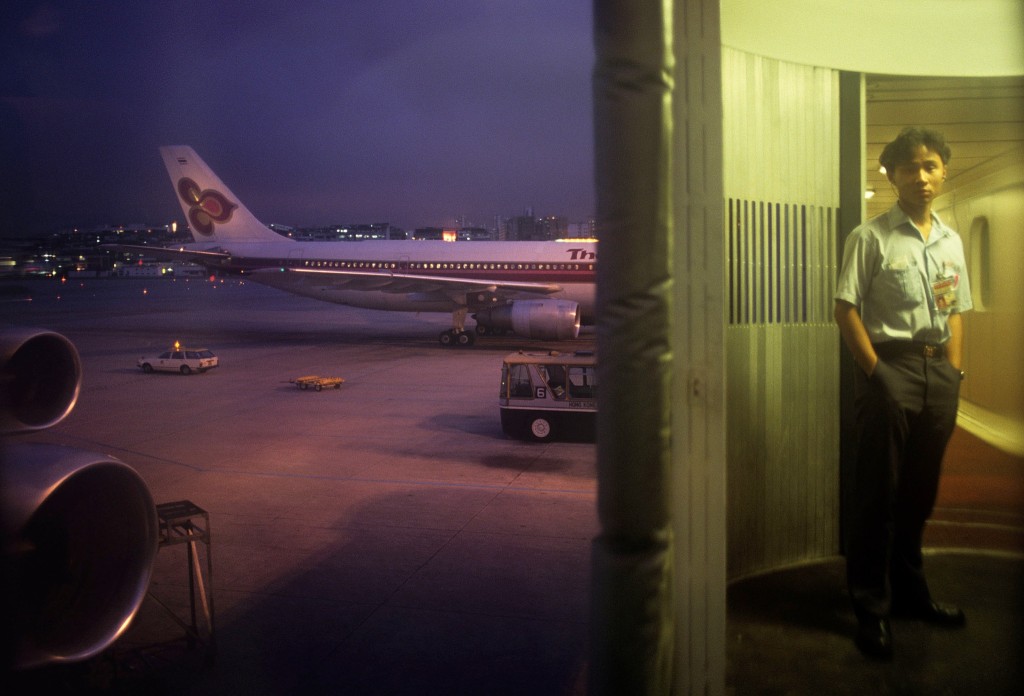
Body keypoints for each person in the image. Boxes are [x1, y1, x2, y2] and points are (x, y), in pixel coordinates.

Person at [834, 126, 972, 660]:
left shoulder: (952, 240)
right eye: (910, 167)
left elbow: (958, 309)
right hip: (889, 369)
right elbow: (845, 308)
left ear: (943, 172)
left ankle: (912, 594)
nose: (922, 176)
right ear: (890, 175)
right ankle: (871, 607)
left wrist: (954, 374)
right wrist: (876, 372)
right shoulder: (869, 238)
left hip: (939, 375)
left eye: (931, 165)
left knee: (919, 492)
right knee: (878, 493)